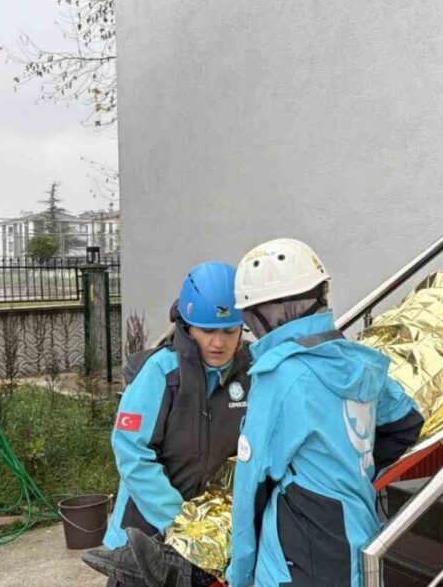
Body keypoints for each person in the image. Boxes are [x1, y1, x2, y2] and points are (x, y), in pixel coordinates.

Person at [225, 238, 424, 587]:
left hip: (297, 553)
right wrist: (346, 466)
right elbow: (406, 421)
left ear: (264, 316)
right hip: (357, 533)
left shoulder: (280, 376)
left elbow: (250, 488)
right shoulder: (353, 359)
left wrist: (239, 574)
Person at [82, 262, 251, 587]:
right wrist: (179, 522)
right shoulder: (161, 372)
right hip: (146, 538)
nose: (219, 342)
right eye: (207, 331)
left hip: (204, 540)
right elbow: (131, 451)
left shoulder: (249, 374)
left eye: (229, 331)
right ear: (187, 326)